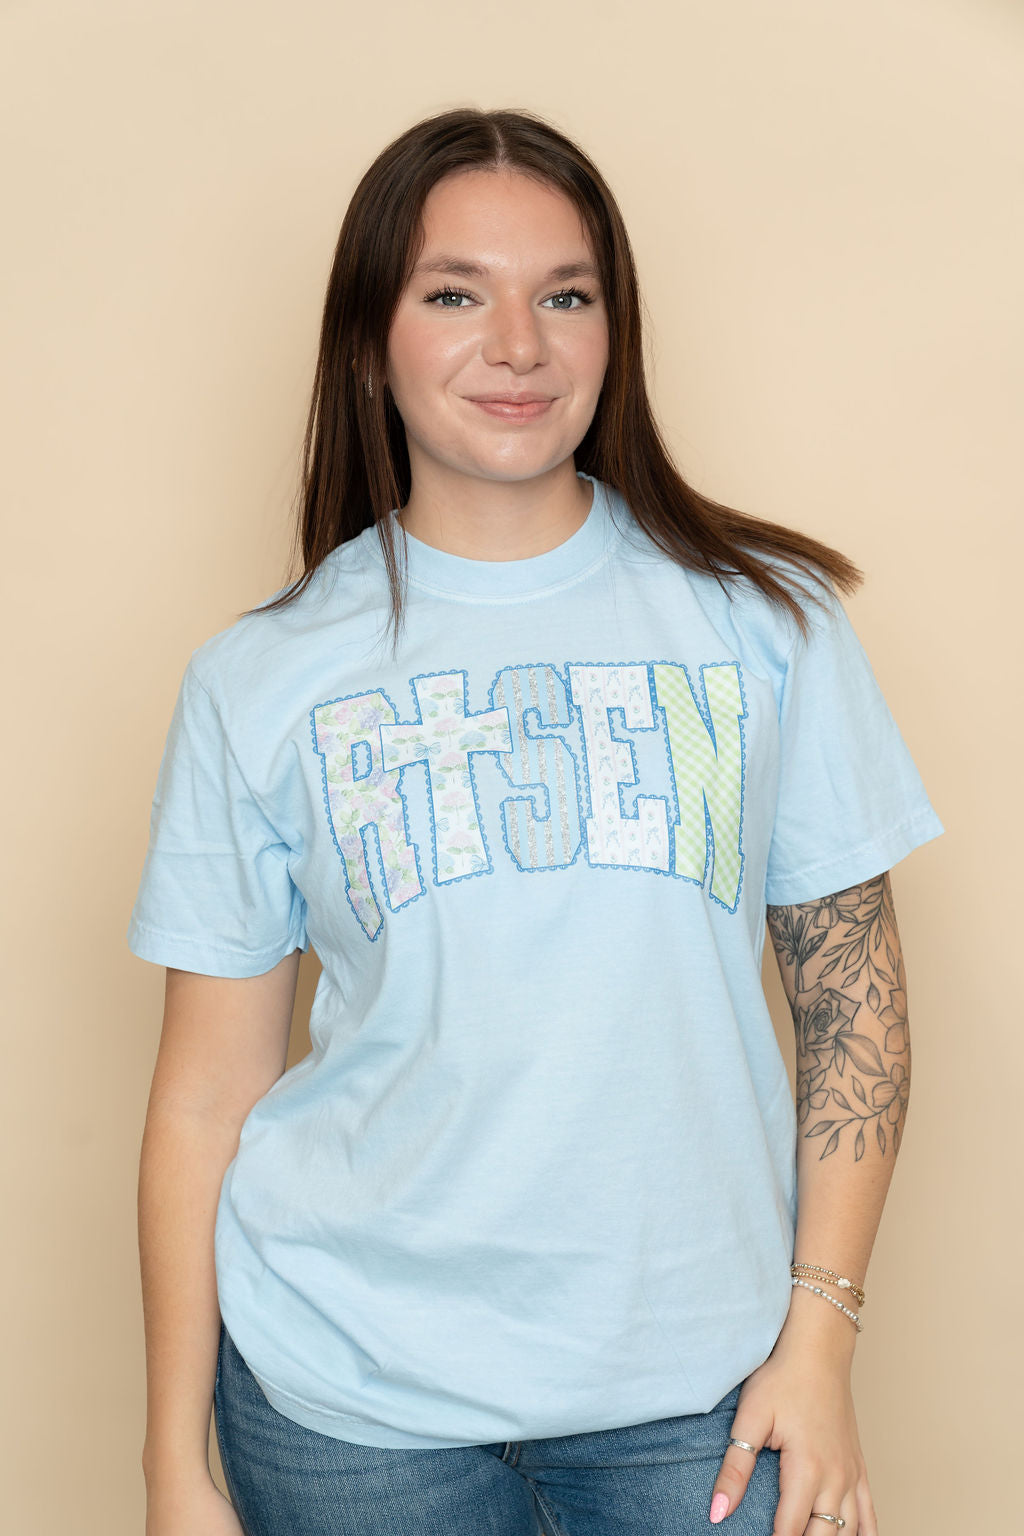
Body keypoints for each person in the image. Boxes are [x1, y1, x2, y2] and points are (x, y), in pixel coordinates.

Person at [130, 107, 943, 1536]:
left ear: (612, 332)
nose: (519, 345)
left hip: (699, 1393)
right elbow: (206, 1097)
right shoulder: (262, 676)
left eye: (565, 296)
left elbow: (855, 1005)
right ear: (369, 340)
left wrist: (821, 1340)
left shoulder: (767, 623)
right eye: (456, 295)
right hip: (347, 1411)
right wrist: (173, 1467)